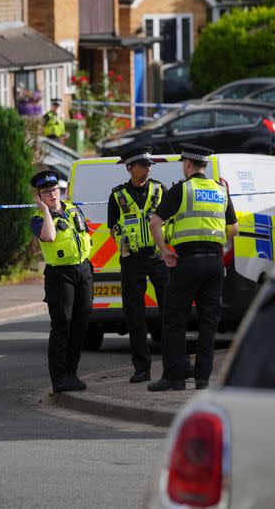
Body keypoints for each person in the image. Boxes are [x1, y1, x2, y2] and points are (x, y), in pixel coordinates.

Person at [146, 144, 239, 392]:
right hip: (214, 263)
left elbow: (155, 223)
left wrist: (165, 251)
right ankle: (202, 379)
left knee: (174, 320)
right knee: (209, 322)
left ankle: (174, 378)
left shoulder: (181, 190)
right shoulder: (221, 191)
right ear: (204, 165)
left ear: (187, 164)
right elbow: (234, 229)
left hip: (187, 263)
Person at [108, 148, 170, 384]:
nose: (148, 168)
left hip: (157, 257)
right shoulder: (117, 195)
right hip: (132, 260)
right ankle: (141, 368)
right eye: (143, 165)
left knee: (170, 310)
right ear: (130, 168)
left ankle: (174, 363)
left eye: (149, 164)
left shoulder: (159, 189)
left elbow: (170, 220)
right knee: (135, 315)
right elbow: (112, 227)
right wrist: (121, 241)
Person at [29, 169, 93, 393]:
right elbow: (49, 237)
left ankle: (72, 374)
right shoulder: (38, 220)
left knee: (80, 323)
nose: (53, 194)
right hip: (60, 275)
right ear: (39, 196)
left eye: (55, 189)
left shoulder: (74, 209)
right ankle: (59, 378)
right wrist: (46, 211)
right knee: (62, 324)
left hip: (83, 270)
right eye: (46, 192)